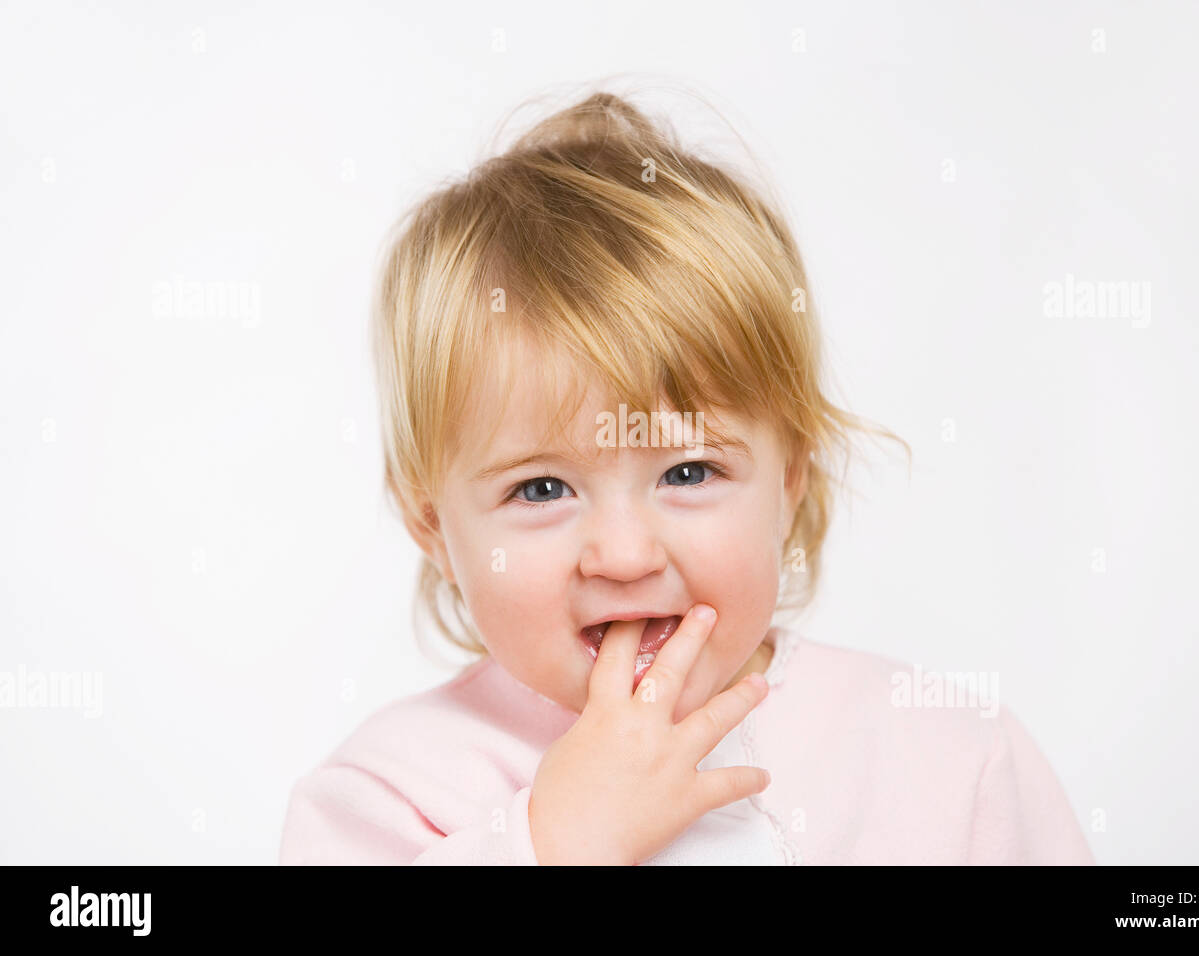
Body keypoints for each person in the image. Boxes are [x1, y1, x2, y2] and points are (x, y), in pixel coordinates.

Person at [278, 88, 1095, 865]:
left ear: (789, 481)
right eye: (541, 489)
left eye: (689, 470)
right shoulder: (389, 795)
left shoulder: (941, 753)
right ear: (434, 529)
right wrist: (552, 841)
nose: (626, 556)